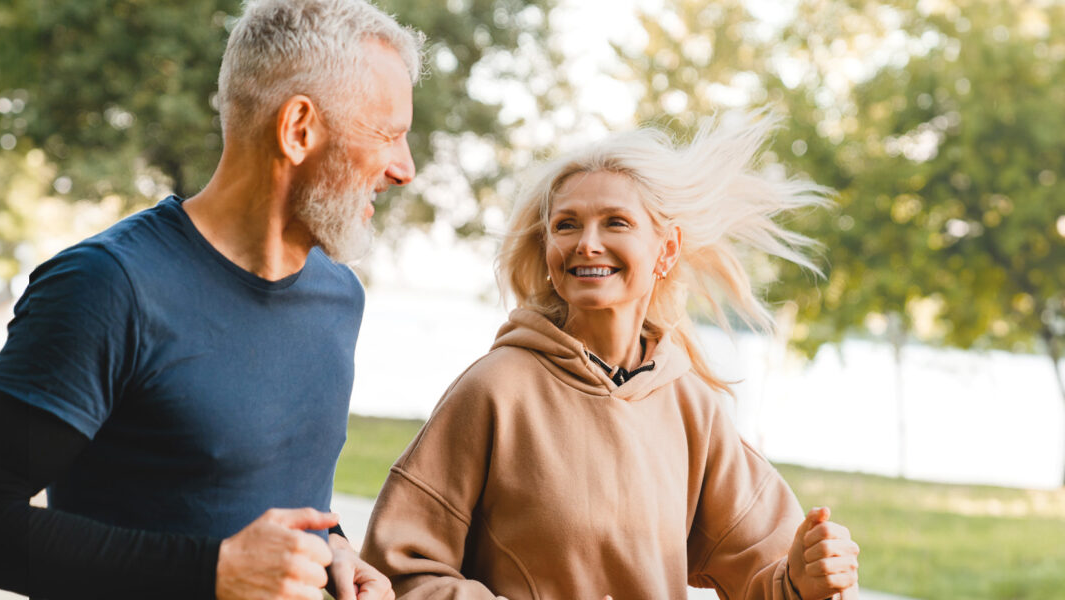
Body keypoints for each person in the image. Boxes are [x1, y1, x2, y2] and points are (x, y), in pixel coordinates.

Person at [0, 1, 423, 599]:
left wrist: (334, 549)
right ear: (298, 129)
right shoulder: (106, 287)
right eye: (389, 134)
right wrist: (214, 572)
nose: (405, 168)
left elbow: (268, 497)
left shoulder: (339, 295)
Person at [360, 113, 861, 599]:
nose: (588, 244)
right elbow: (397, 572)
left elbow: (765, 576)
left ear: (666, 251)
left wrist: (803, 579)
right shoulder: (495, 389)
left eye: (615, 223)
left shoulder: (691, 404)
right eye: (567, 225)